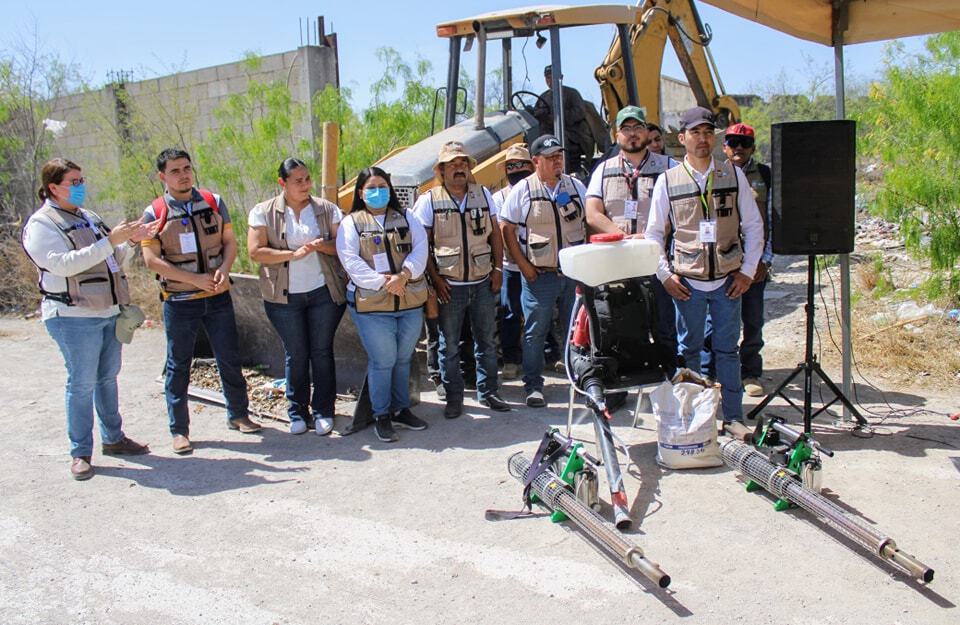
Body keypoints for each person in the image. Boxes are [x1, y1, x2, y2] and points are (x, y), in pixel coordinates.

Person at [22, 158, 152, 480]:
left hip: (108, 311)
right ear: (53, 187)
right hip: (72, 315)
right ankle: (80, 452)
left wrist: (131, 241)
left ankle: (114, 438)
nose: (81, 187)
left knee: (107, 377)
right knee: (80, 383)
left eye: (82, 180)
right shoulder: (42, 224)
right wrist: (111, 241)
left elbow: (113, 259)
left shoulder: (89, 218)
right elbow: (63, 265)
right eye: (74, 182)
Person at [644, 107, 764, 424]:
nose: (702, 139)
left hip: (727, 281)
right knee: (689, 351)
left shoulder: (733, 174)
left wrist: (748, 271)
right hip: (688, 284)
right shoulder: (667, 181)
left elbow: (753, 226)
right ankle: (695, 418)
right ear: (681, 138)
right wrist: (665, 274)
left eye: (708, 132)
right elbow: (654, 233)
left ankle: (734, 417)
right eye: (695, 133)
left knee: (727, 352)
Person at [141, 148, 261, 455]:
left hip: (217, 297)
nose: (183, 175)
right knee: (178, 364)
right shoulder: (154, 213)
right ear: (162, 177)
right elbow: (151, 259)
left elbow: (230, 243)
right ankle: (179, 430)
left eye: (186, 168)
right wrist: (194, 280)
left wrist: (223, 270)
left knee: (229, 357)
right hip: (180, 301)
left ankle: (238, 414)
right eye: (175, 171)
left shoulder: (213, 202)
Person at [248, 158, 346, 435]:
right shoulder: (262, 211)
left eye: (307, 179)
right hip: (284, 297)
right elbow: (256, 251)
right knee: (296, 354)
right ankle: (297, 412)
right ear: (282, 183)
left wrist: (320, 246)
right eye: (298, 181)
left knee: (322, 351)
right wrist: (292, 255)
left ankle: (324, 410)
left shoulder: (326, 209)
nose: (305, 185)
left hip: (322, 292)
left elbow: (342, 245)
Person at [413, 141, 509, 419]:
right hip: (449, 286)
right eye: (452, 164)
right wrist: (435, 280)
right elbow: (422, 245)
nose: (459, 168)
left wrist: (497, 270)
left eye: (463, 163)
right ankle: (454, 397)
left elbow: (495, 236)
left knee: (487, 342)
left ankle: (489, 391)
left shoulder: (483, 195)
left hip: (481, 282)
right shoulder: (429, 201)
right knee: (449, 345)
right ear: (441, 170)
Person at [585, 105, 680, 376]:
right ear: (617, 135)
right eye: (626, 129)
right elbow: (592, 212)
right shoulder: (603, 170)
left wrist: (650, 235)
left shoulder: (669, 168)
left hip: (656, 261)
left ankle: (669, 382)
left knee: (663, 325)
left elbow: (680, 211)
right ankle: (622, 385)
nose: (633, 134)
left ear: (647, 133)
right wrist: (622, 236)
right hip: (618, 263)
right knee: (620, 325)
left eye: (638, 128)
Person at [336, 167, 430, 442]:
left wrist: (404, 276)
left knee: (403, 357)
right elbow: (350, 261)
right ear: (361, 193)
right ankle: (381, 414)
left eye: (382, 186)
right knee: (383, 360)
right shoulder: (351, 223)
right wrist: (384, 282)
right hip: (372, 304)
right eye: (371, 187)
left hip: (408, 299)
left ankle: (401, 409)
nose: (378, 192)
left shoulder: (406, 217)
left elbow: (421, 248)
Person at [500, 134, 587, 407]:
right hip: (540, 276)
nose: (556, 161)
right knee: (535, 331)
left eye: (559, 156)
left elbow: (590, 221)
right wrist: (524, 266)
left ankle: (580, 380)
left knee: (576, 329)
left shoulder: (575, 186)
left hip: (572, 273)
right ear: (536, 161)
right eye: (550, 158)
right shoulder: (523, 190)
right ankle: (533, 386)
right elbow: (506, 227)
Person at [703, 123, 773, 396]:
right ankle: (710, 373)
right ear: (724, 147)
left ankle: (751, 372)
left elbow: (771, 221)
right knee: (714, 320)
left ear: (753, 147)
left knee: (752, 319)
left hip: (754, 264)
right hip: (721, 262)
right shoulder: (715, 173)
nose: (738, 148)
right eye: (733, 142)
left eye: (744, 143)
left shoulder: (764, 176)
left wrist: (765, 261)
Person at [491, 143, 535, 381]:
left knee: (539, 312)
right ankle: (511, 358)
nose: (517, 169)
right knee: (509, 313)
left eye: (521, 164)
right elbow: (502, 232)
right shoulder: (499, 197)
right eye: (512, 165)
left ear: (531, 165)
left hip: (540, 264)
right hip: (511, 265)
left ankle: (546, 354)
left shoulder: (540, 191)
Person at [532, 65, 594, 175]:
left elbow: (579, 112)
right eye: (547, 78)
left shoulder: (571, 93)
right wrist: (534, 113)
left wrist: (554, 117)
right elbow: (537, 114)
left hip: (572, 133)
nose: (550, 80)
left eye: (552, 77)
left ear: (560, 77)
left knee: (558, 140)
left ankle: (564, 171)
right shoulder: (543, 97)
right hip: (547, 134)